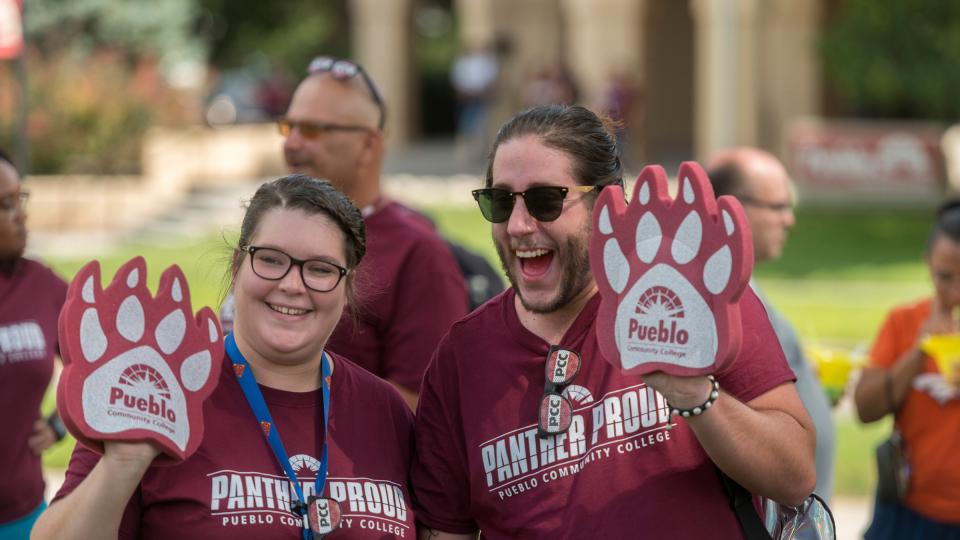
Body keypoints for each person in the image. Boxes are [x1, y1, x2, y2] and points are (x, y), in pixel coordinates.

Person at [411, 105, 816, 539]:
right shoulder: (462, 357)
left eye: (546, 201)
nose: (518, 225)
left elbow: (794, 478)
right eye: (500, 200)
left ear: (606, 206)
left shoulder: (692, 297)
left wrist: (694, 395)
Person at [32, 175, 416, 539]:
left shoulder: (387, 412)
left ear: (347, 288)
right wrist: (124, 463)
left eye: (320, 269)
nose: (291, 285)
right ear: (237, 267)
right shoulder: (162, 389)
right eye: (270, 259)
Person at [271, 56, 468, 409]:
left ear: (368, 144)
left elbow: (424, 405)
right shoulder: (269, 231)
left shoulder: (417, 253)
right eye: (290, 127)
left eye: (313, 129)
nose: (293, 144)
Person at [707, 147, 837, 502]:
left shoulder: (743, 287)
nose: (789, 220)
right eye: (777, 206)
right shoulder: (719, 298)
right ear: (727, 207)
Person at [853, 201, 960, 538]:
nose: (957, 291)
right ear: (927, 262)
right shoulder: (904, 322)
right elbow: (866, 409)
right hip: (908, 511)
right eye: (945, 277)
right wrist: (918, 351)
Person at [0, 149, 68, 539]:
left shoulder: (41, 285)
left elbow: (104, 359)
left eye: (20, 199)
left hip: (24, 516)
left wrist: (61, 423)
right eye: (6, 204)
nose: (21, 214)